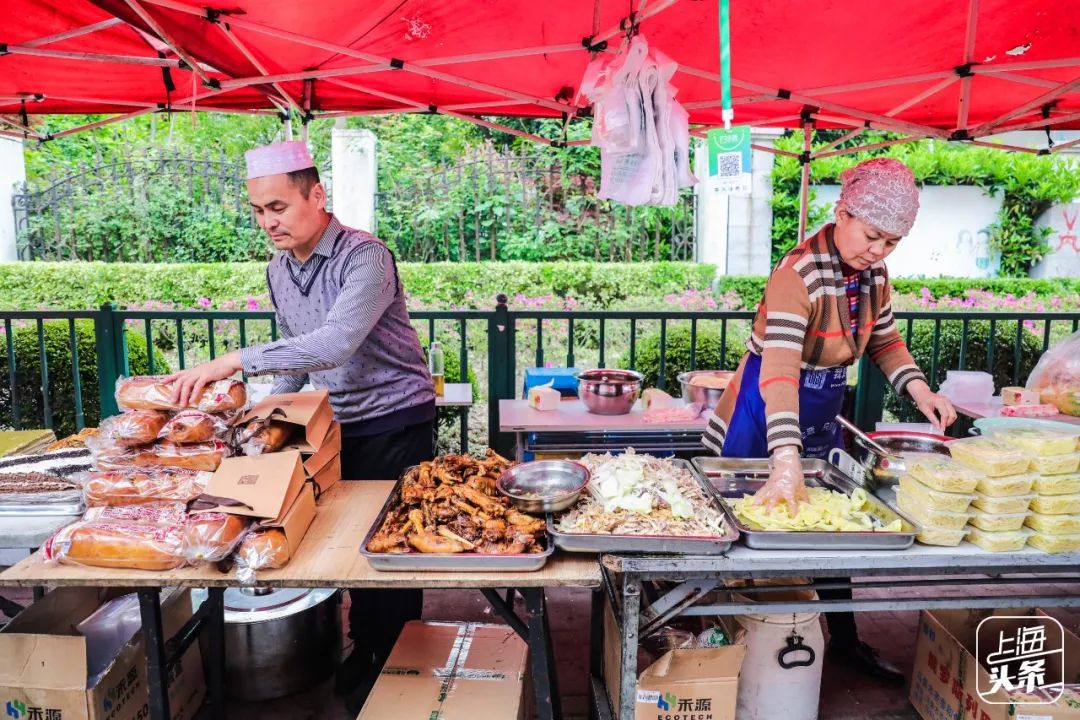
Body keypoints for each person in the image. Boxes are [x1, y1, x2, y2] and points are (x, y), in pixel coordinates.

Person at [165, 140, 435, 710]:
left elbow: (335, 344)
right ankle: (365, 648)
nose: (269, 222)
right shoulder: (279, 269)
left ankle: (396, 660)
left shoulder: (366, 257)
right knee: (339, 545)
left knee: (391, 548)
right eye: (259, 211)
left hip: (394, 420)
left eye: (279, 207)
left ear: (317, 195)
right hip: (330, 428)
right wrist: (266, 425)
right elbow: (298, 361)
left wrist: (232, 360)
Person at [701, 157, 957, 684]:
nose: (879, 251)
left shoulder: (873, 275)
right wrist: (786, 458)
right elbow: (778, 372)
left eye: (891, 242)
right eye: (871, 236)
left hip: (820, 415)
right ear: (841, 212)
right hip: (761, 415)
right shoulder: (797, 275)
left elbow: (884, 340)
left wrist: (919, 388)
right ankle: (717, 644)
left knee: (828, 533)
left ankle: (843, 639)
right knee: (739, 537)